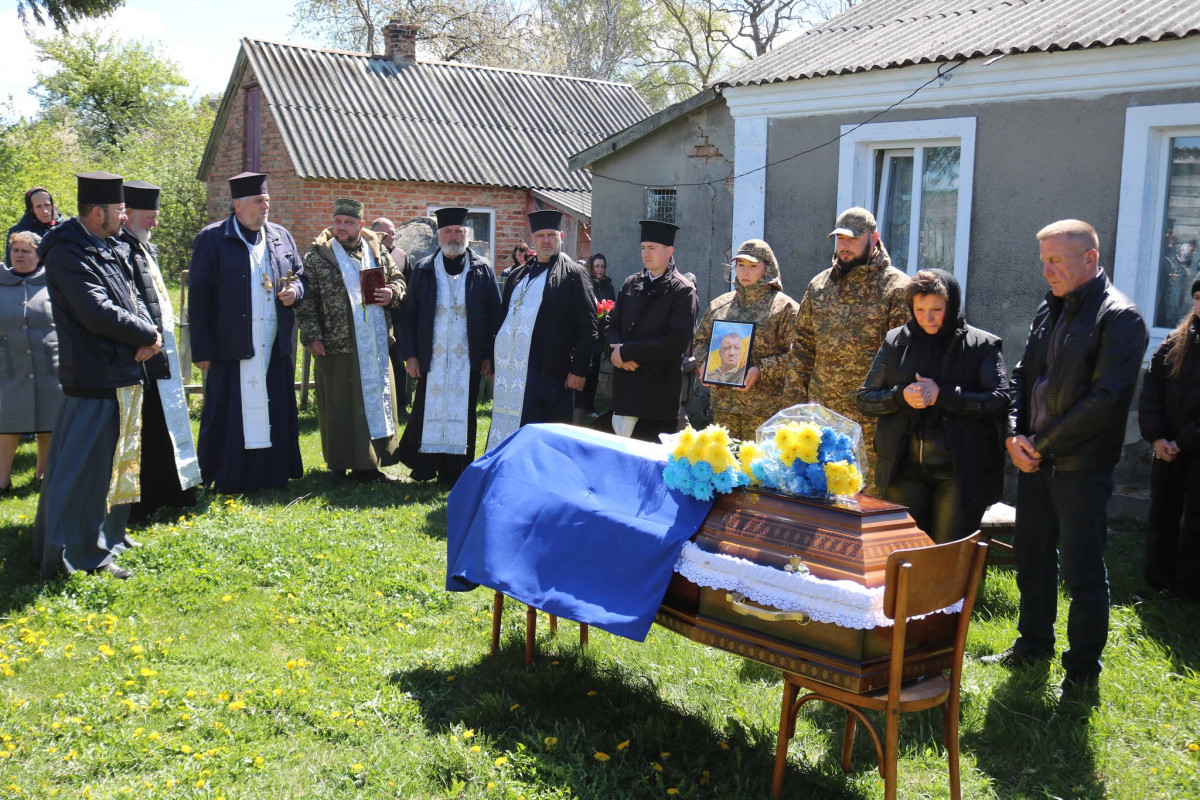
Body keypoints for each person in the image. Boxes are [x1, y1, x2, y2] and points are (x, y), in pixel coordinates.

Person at [982, 219, 1147, 693]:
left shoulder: (1120, 317)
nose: (1046, 271)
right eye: (1043, 261)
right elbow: (1021, 376)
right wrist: (1014, 434)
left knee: (1082, 571)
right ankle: (1033, 644)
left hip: (1081, 467)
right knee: (1032, 558)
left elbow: (1106, 400)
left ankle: (1081, 672)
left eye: (1055, 260)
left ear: (1090, 259)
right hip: (1034, 461)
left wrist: (1041, 444)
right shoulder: (1049, 308)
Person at [32, 171, 162, 579]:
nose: (125, 217)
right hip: (95, 376)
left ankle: (108, 536)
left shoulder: (108, 244)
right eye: (119, 210)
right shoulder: (68, 252)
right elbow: (96, 311)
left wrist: (149, 334)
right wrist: (148, 335)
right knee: (85, 471)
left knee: (114, 466)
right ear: (96, 212)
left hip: (122, 370)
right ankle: (76, 553)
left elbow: (134, 297)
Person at [857, 269, 1009, 542]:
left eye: (937, 309)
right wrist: (901, 396)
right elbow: (866, 399)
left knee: (947, 552)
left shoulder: (981, 345)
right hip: (903, 470)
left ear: (952, 306)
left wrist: (944, 396)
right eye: (919, 310)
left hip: (959, 473)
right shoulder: (896, 341)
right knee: (907, 550)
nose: (928, 318)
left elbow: (999, 400)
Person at [188, 172, 307, 494]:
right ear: (238, 205)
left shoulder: (280, 236)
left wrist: (295, 291)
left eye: (267, 200)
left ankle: (272, 474)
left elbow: (299, 275)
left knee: (274, 407)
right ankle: (228, 475)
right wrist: (201, 349)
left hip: (274, 344)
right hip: (232, 344)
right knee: (230, 412)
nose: (265, 206)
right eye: (258, 201)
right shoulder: (213, 238)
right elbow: (198, 298)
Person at [787, 207, 909, 494]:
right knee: (820, 497)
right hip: (821, 418)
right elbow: (802, 348)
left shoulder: (896, 288)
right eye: (840, 238)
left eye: (853, 239)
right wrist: (793, 409)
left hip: (870, 423)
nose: (844, 245)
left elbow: (903, 361)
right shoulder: (819, 286)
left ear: (874, 238)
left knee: (868, 501)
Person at [298, 199, 405, 481]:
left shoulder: (376, 250)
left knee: (373, 403)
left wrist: (392, 293)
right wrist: (311, 337)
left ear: (360, 225)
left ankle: (371, 465)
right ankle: (339, 464)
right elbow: (307, 302)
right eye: (337, 222)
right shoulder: (317, 257)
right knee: (339, 406)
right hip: (336, 344)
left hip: (375, 344)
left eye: (348, 222)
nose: (341, 227)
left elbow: (398, 279)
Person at [397, 207, 503, 486]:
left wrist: (489, 355)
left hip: (467, 359)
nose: (453, 237)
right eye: (448, 232)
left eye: (459, 231)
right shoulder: (424, 269)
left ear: (467, 235)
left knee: (464, 413)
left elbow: (495, 315)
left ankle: (456, 471)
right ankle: (425, 468)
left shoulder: (482, 269)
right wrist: (410, 355)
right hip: (431, 357)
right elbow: (408, 316)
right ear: (439, 236)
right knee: (427, 410)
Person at [118, 180, 201, 518]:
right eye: (149, 215)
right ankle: (145, 499)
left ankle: (172, 491)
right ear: (127, 213)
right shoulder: (119, 248)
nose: (155, 222)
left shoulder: (144, 247)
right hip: (140, 352)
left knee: (164, 421)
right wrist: (143, 337)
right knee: (146, 427)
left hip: (159, 349)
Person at [487, 210, 596, 451]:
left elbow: (588, 327)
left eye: (551, 235)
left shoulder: (574, 274)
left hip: (550, 374)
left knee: (541, 439)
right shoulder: (518, 275)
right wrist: (495, 366)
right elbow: (503, 321)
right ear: (532, 239)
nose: (546, 240)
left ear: (561, 236)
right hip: (513, 373)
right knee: (510, 429)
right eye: (540, 235)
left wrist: (579, 370)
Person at [694, 239, 799, 440]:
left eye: (753, 266)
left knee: (758, 461)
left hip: (765, 412)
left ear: (767, 268)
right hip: (724, 409)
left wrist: (761, 369)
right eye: (740, 265)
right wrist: (704, 363)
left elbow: (798, 355)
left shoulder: (784, 309)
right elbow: (700, 341)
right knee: (724, 459)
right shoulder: (720, 305)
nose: (745, 272)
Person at [1137, 275, 1200, 600]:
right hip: (1167, 449)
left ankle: (1188, 587)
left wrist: (1184, 440)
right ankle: (1158, 581)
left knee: (1196, 521)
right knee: (1163, 513)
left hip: (1193, 447)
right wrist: (1157, 437)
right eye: (1198, 297)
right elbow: (1151, 392)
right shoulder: (1175, 342)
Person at [606, 220, 698, 441]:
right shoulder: (631, 283)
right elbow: (612, 324)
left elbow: (675, 342)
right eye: (643, 247)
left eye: (652, 248)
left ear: (669, 251)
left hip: (658, 394)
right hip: (626, 388)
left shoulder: (682, 290)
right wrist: (618, 354)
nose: (646, 254)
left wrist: (627, 352)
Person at [0, 231, 61, 491]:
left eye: (26, 251)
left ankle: (43, 474)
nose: (19, 255)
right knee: (7, 421)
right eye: (15, 250)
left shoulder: (53, 282)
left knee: (49, 420)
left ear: (39, 254)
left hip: (49, 364)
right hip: (8, 364)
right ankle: (2, 479)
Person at [373, 216, 414, 418]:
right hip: (372, 321)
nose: (391, 236)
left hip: (396, 322)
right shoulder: (367, 254)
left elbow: (409, 286)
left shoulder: (401, 255)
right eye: (386, 233)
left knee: (398, 365)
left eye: (393, 233)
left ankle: (400, 407)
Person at [575, 251, 616, 423]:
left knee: (594, 374)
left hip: (600, 335)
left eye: (602, 267)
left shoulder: (608, 286)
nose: (599, 270)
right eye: (597, 266)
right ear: (592, 268)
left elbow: (613, 306)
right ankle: (579, 406)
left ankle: (590, 407)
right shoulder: (587, 283)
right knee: (584, 371)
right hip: (587, 334)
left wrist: (606, 314)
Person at [5, 187, 65, 264]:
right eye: (38, 206)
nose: (45, 211)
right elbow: (12, 265)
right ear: (31, 210)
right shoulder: (18, 232)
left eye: (47, 205)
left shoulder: (65, 228)